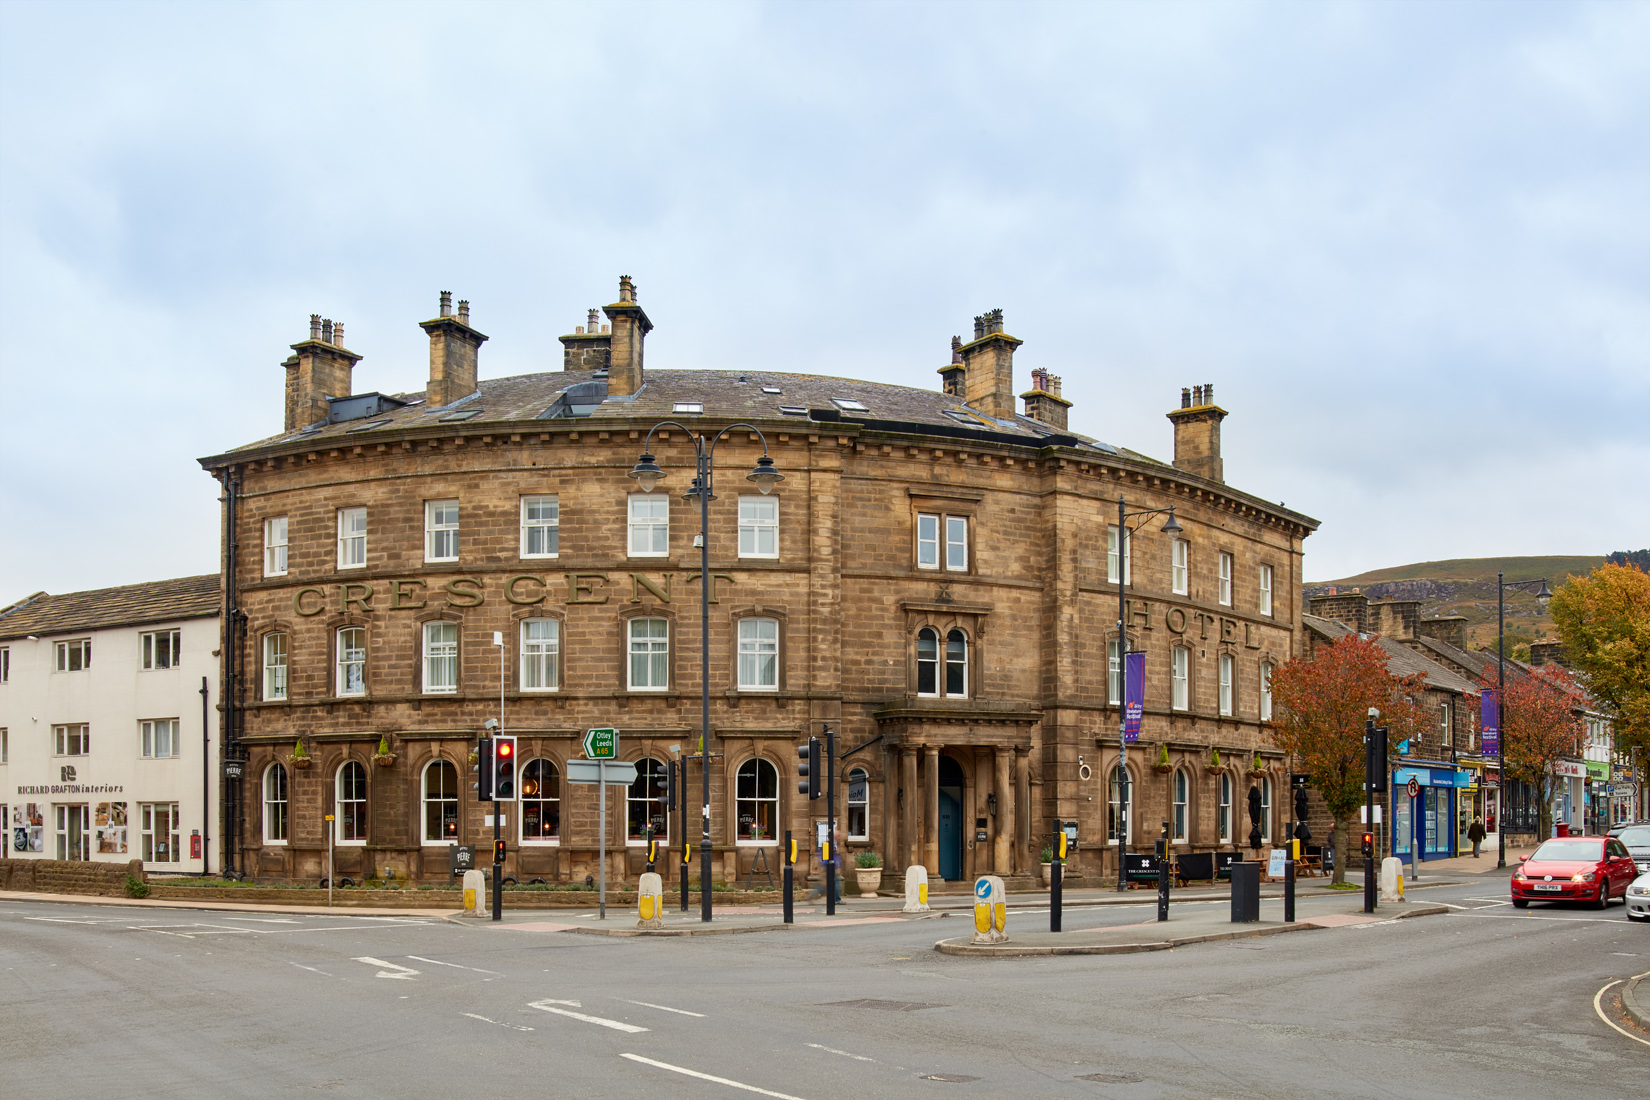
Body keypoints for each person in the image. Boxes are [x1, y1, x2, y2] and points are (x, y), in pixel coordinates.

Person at [807, 826, 843, 902]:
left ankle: (813, 894)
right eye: (838, 836)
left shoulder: (833, 844)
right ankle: (837, 899)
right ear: (835, 836)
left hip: (831, 865)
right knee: (835, 883)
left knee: (826, 883)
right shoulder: (830, 844)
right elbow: (825, 856)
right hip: (830, 866)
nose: (840, 837)